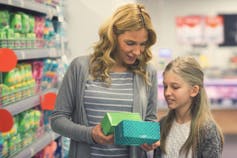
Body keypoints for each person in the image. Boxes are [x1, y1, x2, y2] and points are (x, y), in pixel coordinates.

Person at [50, 3, 160, 158]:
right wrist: (90, 134)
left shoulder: (148, 72)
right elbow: (57, 120)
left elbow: (150, 120)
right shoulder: (80, 67)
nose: (137, 51)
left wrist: (148, 139)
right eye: (130, 43)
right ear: (113, 36)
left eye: (142, 44)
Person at [154, 56, 224, 158]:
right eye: (165, 86)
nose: (167, 92)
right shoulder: (162, 125)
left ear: (194, 90)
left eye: (175, 87)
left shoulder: (207, 130)